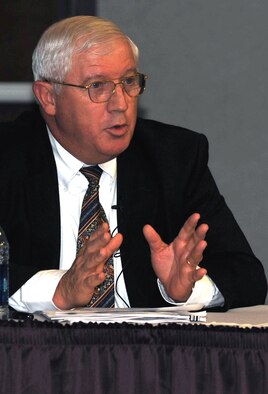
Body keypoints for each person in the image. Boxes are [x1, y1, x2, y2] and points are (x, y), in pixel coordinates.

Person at [0, 15, 266, 313]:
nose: (120, 103)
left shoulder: (173, 157)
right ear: (48, 97)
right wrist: (59, 289)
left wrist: (185, 290)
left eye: (128, 82)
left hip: (144, 352)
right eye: (97, 86)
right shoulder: (8, 158)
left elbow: (247, 276)